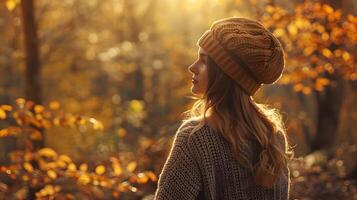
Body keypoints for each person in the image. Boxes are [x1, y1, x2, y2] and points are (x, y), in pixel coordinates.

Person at [154, 17, 294, 200]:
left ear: (225, 73)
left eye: (204, 61)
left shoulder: (195, 137)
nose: (192, 67)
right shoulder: (273, 137)